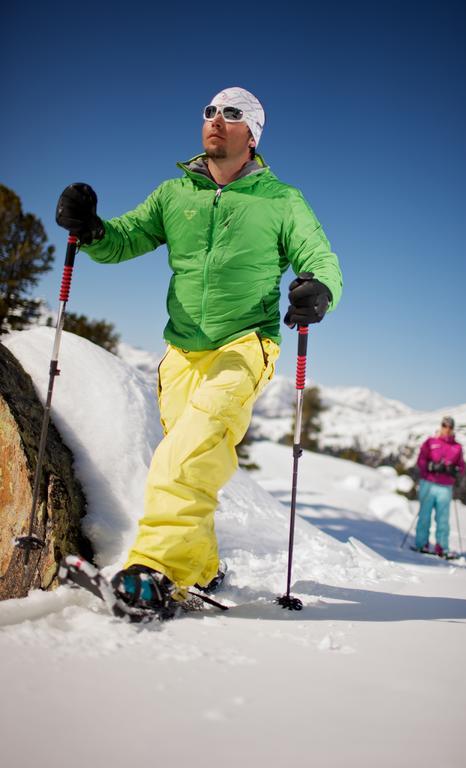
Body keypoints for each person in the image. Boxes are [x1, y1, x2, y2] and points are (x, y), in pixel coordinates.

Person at [56, 86, 343, 619]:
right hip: (182, 351)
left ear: (252, 133)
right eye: (209, 111)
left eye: (232, 114)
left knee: (185, 454)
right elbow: (123, 240)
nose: (216, 120)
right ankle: (201, 565)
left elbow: (320, 257)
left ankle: (153, 571)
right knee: (194, 458)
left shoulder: (282, 201)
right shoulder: (174, 194)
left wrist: (319, 289)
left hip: (245, 345)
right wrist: (92, 228)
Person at [415, 416, 465, 558]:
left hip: (445, 487)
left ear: (452, 428)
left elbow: (461, 466)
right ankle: (421, 544)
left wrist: (454, 470)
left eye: (450, 426)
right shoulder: (430, 442)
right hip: (429, 483)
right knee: (424, 515)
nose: (447, 429)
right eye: (445, 425)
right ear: (441, 426)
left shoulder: (457, 447)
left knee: (443, 519)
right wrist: (431, 466)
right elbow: (421, 460)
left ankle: (442, 547)